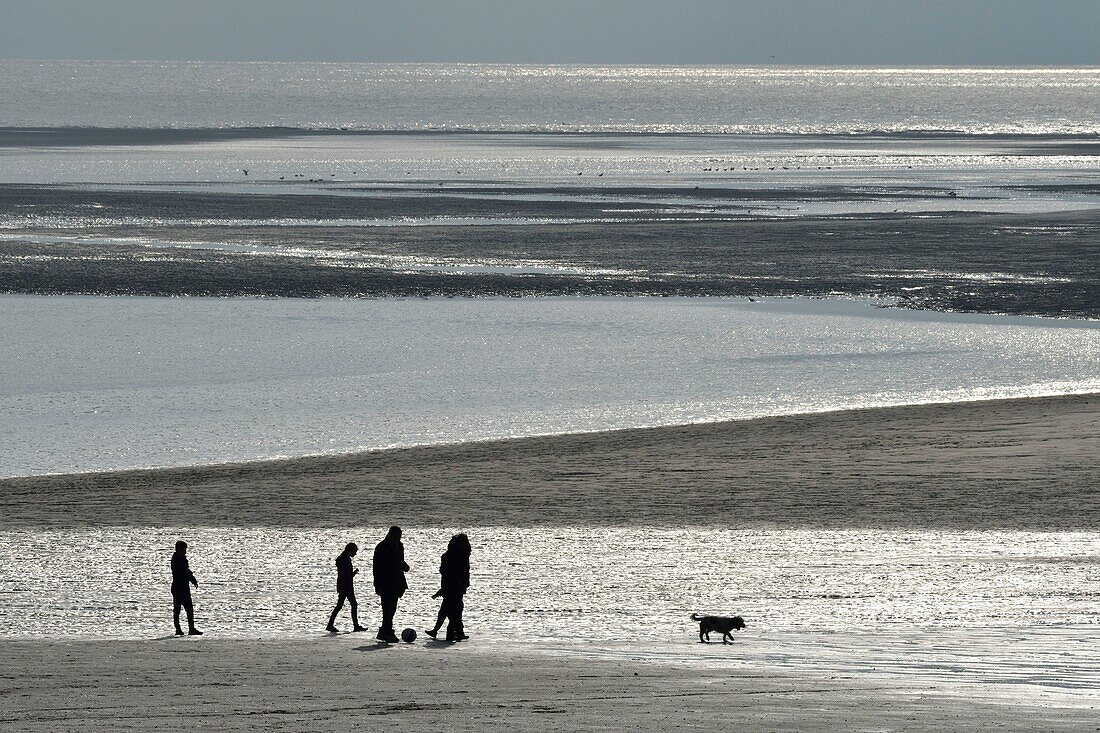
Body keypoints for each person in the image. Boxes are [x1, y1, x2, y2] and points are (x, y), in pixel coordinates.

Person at [426, 533, 471, 642]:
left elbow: (445, 571)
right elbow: (464, 572)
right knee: (455, 609)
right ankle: (456, 632)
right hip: (458, 585)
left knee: (448, 609)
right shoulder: (463, 555)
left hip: (451, 585)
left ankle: (449, 631)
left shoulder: (450, 555)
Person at [372, 526, 409, 643]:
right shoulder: (382, 547)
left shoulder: (399, 546)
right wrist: (377, 584)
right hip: (385, 582)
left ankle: (385, 631)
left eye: (399, 536)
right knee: (388, 608)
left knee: (391, 608)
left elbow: (399, 561)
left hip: (397, 581)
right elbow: (376, 568)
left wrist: (404, 566)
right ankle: (387, 632)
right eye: (397, 536)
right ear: (391, 535)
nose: (398, 539)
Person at [327, 542, 366, 633]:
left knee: (340, 606)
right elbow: (347, 575)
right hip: (346, 586)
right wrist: (354, 573)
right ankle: (355, 626)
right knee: (353, 604)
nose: (355, 554)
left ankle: (330, 624)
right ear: (350, 550)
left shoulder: (342, 559)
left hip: (342, 585)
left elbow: (344, 574)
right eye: (355, 551)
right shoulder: (346, 560)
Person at [171, 540, 203, 636]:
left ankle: (191, 629)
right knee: (177, 609)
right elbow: (182, 572)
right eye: (183, 549)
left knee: (189, 609)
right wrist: (190, 576)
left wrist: (192, 579)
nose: (185, 551)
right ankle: (178, 629)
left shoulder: (183, 559)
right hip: (178, 587)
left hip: (184, 587)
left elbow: (186, 571)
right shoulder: (176, 559)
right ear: (178, 549)